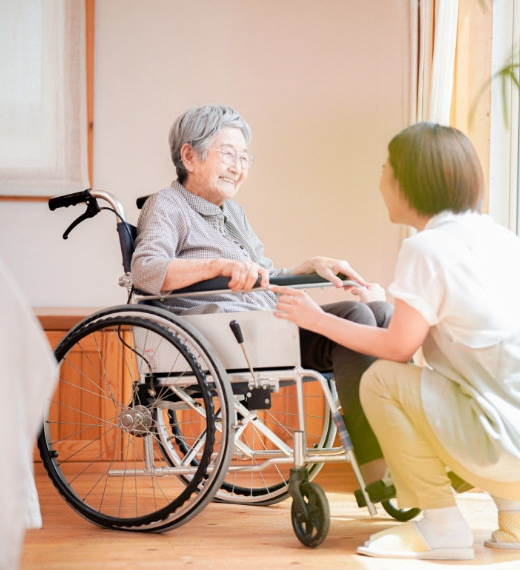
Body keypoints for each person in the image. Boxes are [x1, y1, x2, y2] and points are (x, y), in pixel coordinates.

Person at [271, 122, 520, 560]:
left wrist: (316, 318)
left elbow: (397, 348)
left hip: (508, 452)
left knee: (382, 380)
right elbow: (463, 320)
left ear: (410, 182)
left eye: (386, 171)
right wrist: (378, 299)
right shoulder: (500, 238)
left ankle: (442, 527)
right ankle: (515, 507)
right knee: (470, 378)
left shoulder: (427, 248)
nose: (381, 182)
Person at [130, 104, 392, 484]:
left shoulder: (232, 212)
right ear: (189, 155)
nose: (238, 167)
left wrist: (306, 267)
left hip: (264, 329)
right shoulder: (167, 205)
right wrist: (218, 266)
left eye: (244, 157)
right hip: (225, 338)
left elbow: (262, 277)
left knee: (380, 313)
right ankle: (376, 469)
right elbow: (146, 270)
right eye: (228, 154)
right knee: (356, 317)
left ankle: (400, 454)